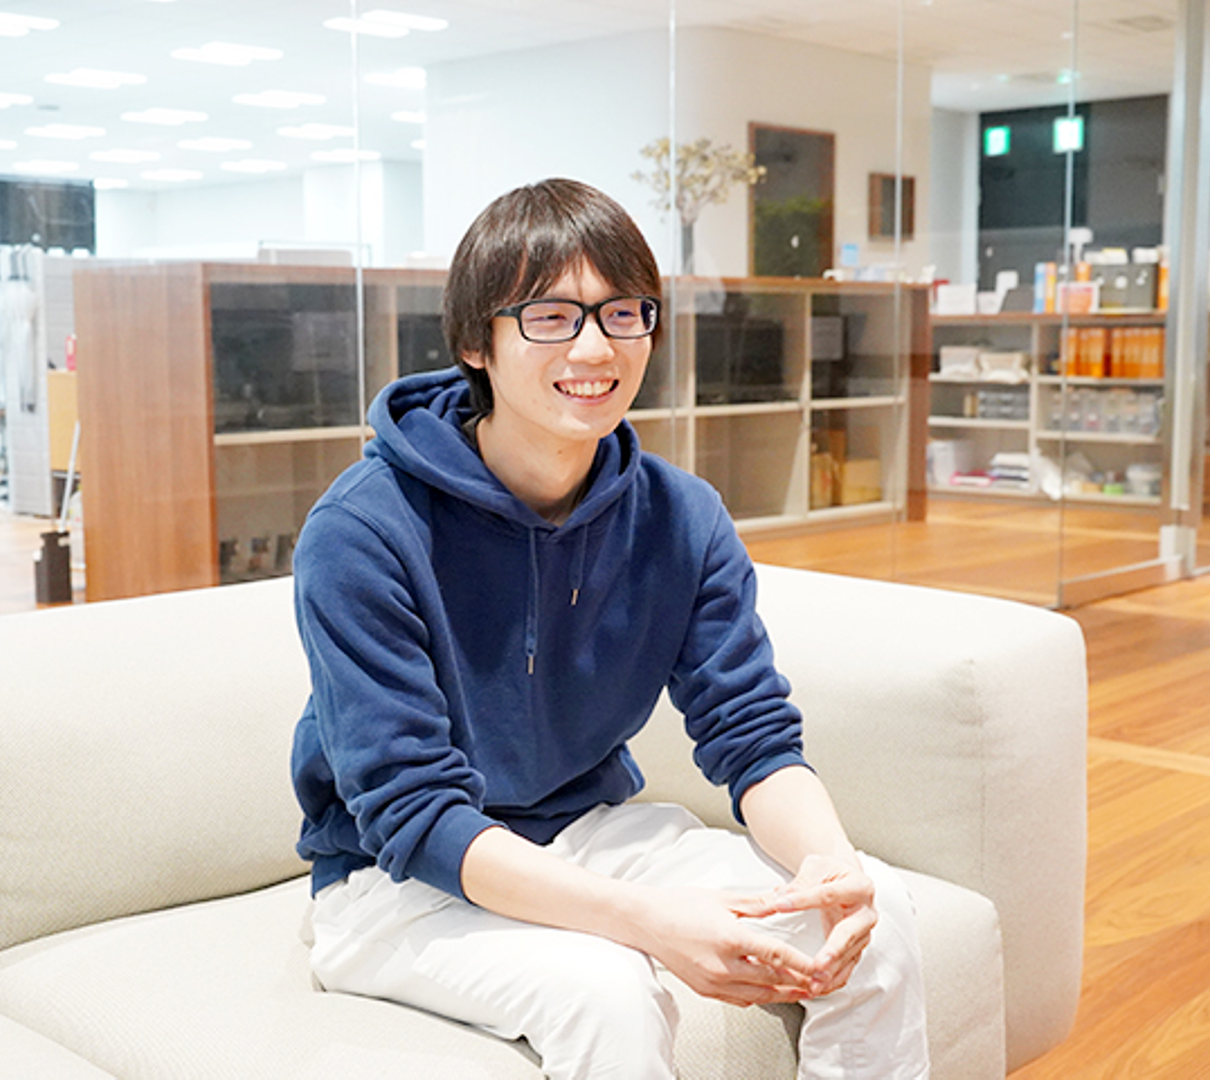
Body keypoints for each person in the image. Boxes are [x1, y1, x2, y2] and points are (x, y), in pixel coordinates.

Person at [290, 177, 929, 1079]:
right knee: (609, 993)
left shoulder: (681, 516)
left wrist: (831, 866)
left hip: (588, 831)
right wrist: (652, 927)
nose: (595, 348)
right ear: (475, 341)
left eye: (623, 313)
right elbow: (413, 812)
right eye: (550, 317)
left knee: (876, 919)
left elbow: (751, 735)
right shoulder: (363, 530)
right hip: (395, 883)